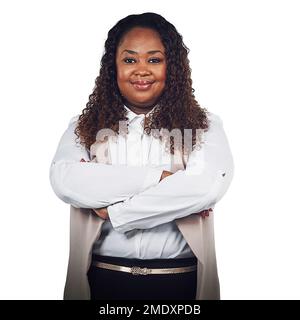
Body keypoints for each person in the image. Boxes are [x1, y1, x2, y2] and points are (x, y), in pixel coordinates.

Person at [49, 12, 234, 300]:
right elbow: (65, 179)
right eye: (130, 59)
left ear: (171, 67)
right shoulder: (84, 126)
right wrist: (162, 179)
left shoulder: (204, 125)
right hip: (103, 281)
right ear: (114, 67)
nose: (142, 70)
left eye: (154, 59)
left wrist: (114, 211)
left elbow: (204, 187)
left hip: (179, 284)